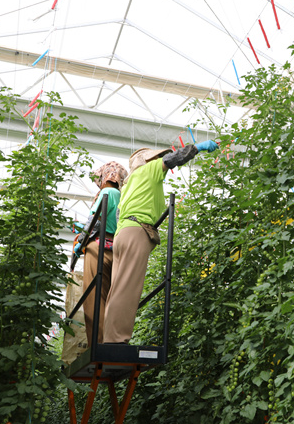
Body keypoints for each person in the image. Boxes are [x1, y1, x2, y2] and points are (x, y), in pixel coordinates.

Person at [101, 140, 219, 344]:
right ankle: (117, 341)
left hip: (122, 235)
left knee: (117, 288)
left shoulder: (129, 185)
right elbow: (174, 158)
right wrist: (198, 147)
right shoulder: (149, 170)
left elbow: (119, 213)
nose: (158, 160)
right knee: (128, 288)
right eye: (155, 157)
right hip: (137, 231)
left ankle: (108, 338)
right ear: (148, 161)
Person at [77, 161, 128, 345]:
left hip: (98, 247)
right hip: (114, 247)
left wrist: (82, 240)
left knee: (93, 299)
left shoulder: (107, 193)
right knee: (110, 298)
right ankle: (111, 342)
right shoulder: (122, 196)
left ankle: (97, 345)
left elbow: (96, 220)